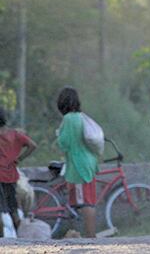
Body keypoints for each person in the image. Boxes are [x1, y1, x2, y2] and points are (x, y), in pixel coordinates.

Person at [55, 87, 99, 238]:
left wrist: (58, 134)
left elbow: (64, 143)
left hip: (79, 167)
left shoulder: (69, 119)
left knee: (86, 203)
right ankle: (90, 236)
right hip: (89, 164)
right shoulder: (81, 117)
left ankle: (91, 238)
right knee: (88, 201)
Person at [0, 107, 36, 236]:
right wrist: (19, 158)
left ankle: (8, 236)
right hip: (11, 176)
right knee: (13, 208)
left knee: (2, 209)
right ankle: (21, 237)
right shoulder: (14, 134)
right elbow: (33, 145)